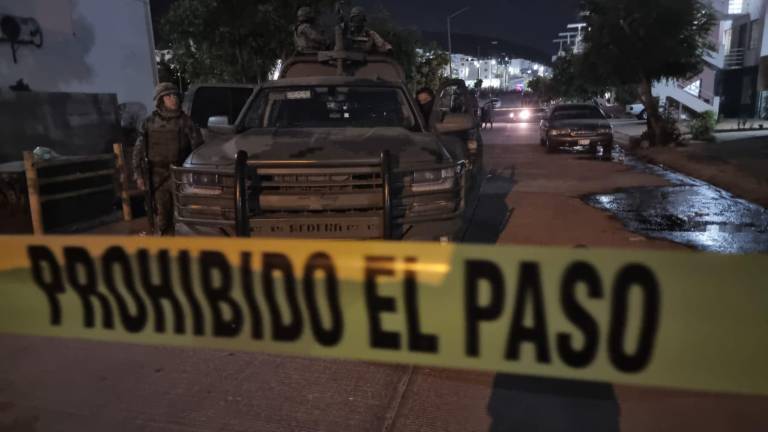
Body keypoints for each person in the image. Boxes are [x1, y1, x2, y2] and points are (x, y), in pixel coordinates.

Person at [132, 82, 203, 236]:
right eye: (168, 96)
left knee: (185, 216)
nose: (173, 99)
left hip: (180, 176)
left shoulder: (186, 121)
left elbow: (198, 149)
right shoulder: (149, 122)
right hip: (157, 178)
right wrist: (138, 175)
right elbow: (139, 150)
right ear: (160, 100)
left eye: (175, 95)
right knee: (162, 217)